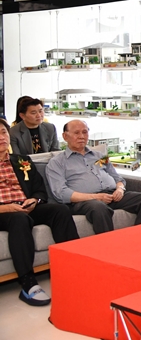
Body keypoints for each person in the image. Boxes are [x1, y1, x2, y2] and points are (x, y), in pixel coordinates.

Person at [0, 118, 79, 306]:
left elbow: (39, 189)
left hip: (24, 207)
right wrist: (6, 208)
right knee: (19, 219)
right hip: (3, 211)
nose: (2, 137)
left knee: (59, 210)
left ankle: (74, 268)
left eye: (3, 132)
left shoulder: (22, 160)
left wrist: (34, 200)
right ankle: (28, 283)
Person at [46, 120, 141, 234]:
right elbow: (61, 193)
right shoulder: (57, 162)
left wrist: (120, 189)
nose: (81, 136)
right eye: (76, 133)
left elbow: (117, 178)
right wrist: (95, 197)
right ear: (65, 136)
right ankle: (108, 244)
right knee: (99, 208)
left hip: (112, 195)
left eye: (85, 132)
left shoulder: (100, 155)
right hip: (84, 201)